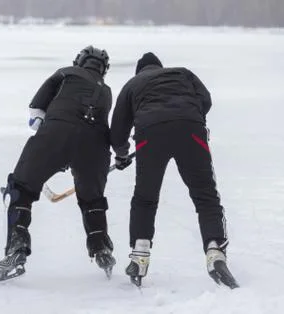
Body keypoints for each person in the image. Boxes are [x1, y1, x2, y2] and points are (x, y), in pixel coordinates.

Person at [110, 52, 238, 288]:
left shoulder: (133, 84)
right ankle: (214, 250)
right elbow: (206, 99)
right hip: (190, 129)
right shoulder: (183, 73)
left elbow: (118, 128)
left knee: (145, 197)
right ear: (160, 67)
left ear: (139, 71)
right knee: (205, 195)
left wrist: (121, 154)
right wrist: (188, 117)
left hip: (149, 132)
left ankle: (140, 253)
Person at [0, 46, 116, 281]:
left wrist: (51, 149)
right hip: (96, 146)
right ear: (104, 69)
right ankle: (101, 248)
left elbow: (37, 111)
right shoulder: (107, 91)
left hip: (57, 132)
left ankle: (17, 246)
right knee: (92, 199)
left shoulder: (65, 73)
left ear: (79, 61)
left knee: (20, 188)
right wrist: (119, 154)